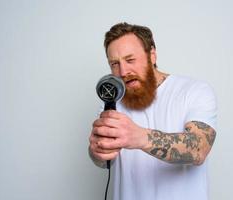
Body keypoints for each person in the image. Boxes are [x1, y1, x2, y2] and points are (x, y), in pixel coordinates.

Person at [88, 22, 217, 200]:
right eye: (114, 64)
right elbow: (103, 161)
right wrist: (97, 153)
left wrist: (138, 137)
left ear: (152, 55)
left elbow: (199, 148)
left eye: (130, 60)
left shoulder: (194, 90)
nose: (123, 71)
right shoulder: (111, 103)